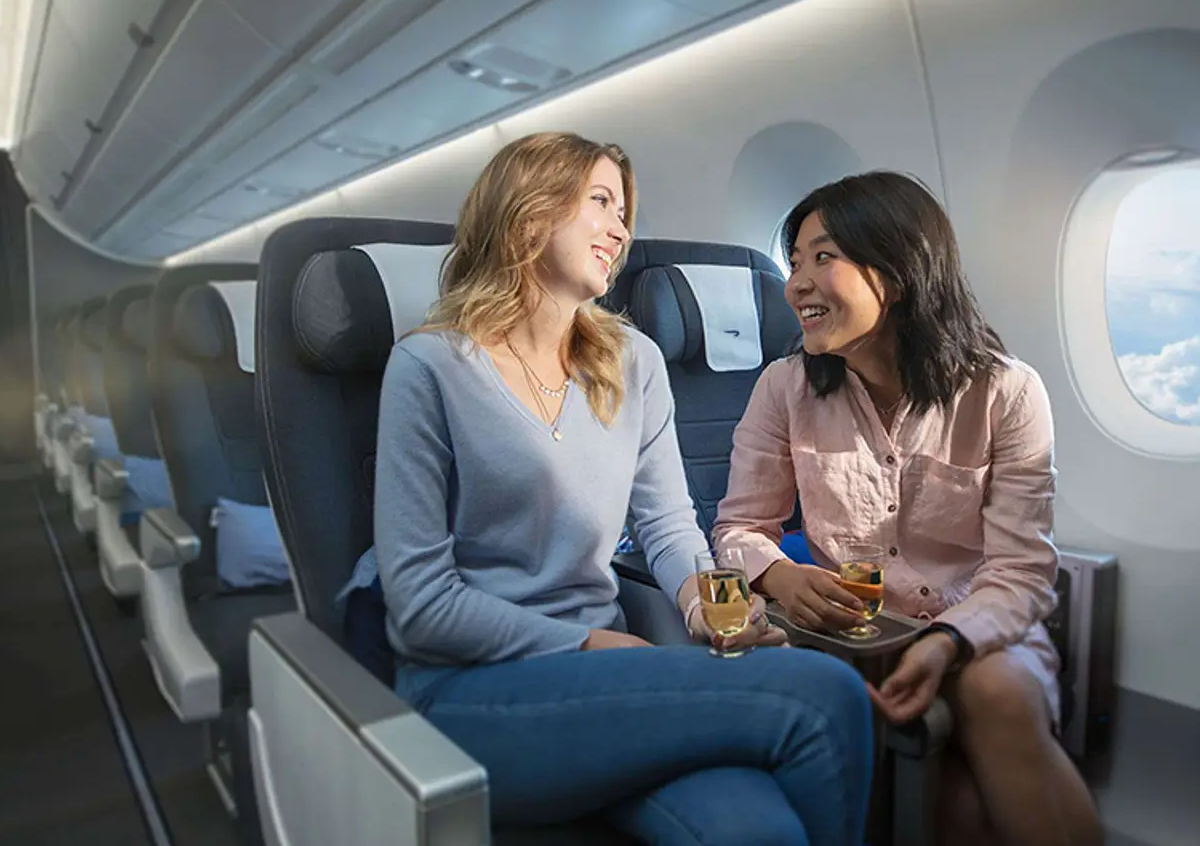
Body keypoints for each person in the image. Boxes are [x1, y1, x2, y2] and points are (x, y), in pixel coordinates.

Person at [371, 132, 875, 846]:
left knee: (757, 831)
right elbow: (422, 606)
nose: (622, 228)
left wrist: (710, 607)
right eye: (600, 202)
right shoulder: (428, 367)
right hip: (471, 691)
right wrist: (592, 647)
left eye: (624, 208)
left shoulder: (631, 361)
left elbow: (668, 523)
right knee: (827, 694)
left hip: (609, 671)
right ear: (528, 213)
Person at [713, 171, 1104, 846]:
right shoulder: (784, 388)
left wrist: (946, 641)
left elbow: (1019, 576)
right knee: (955, 810)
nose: (796, 282)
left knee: (993, 697)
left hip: (977, 627)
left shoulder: (1006, 393)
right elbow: (739, 527)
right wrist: (778, 575)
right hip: (856, 633)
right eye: (795, 261)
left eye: (823, 257)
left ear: (897, 273)